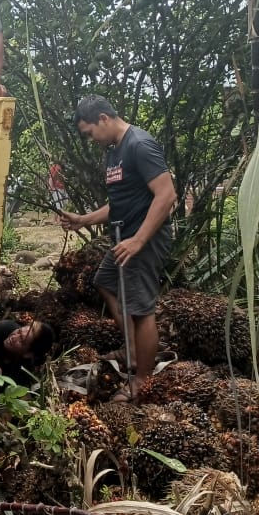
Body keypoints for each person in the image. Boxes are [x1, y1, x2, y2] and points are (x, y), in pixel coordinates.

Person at [58, 95, 176, 403]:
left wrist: (139, 241)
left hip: (143, 239)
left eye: (89, 132)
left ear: (103, 119)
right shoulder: (115, 152)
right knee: (105, 280)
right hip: (125, 238)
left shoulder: (139, 145)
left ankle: (142, 382)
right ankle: (133, 348)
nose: (91, 139)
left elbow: (166, 195)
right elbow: (118, 203)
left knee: (141, 308)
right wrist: (83, 219)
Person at [0, 319, 57, 385]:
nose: (14, 337)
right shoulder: (2, 329)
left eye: (21, 341)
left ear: (27, 354)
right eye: (19, 331)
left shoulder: (22, 374)